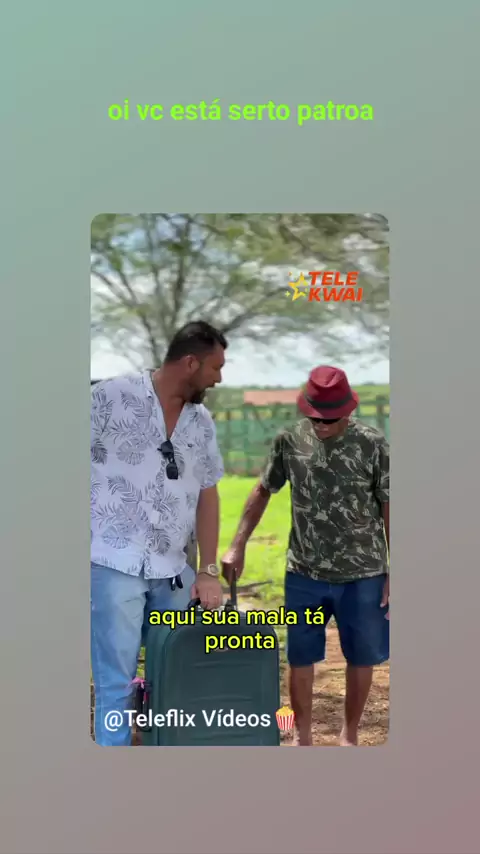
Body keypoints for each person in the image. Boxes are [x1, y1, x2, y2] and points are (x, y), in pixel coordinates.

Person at [222, 365, 389, 747]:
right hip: (304, 572)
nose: (321, 425)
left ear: (347, 411)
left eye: (329, 419)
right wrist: (237, 544)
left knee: (361, 656)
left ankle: (349, 735)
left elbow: (389, 504)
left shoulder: (373, 444)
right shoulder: (290, 440)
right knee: (300, 656)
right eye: (315, 418)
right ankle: (303, 737)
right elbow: (264, 489)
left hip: (363, 574)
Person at [91, 320, 227, 746]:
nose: (219, 379)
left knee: (175, 677)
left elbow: (208, 494)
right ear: (190, 363)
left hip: (173, 572)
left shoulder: (201, 422)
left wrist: (206, 570)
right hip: (113, 563)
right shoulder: (108, 398)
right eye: (216, 367)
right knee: (116, 683)